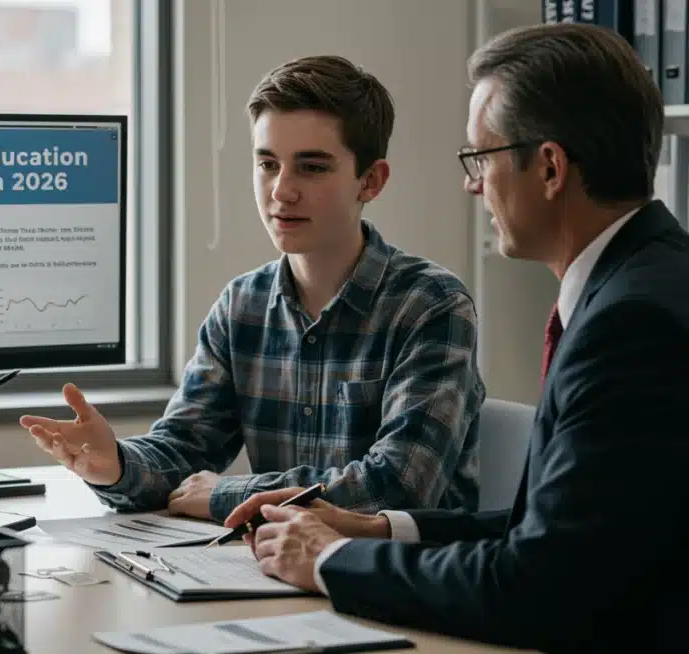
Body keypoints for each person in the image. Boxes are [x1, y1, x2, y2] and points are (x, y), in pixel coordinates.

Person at [226, 23, 689, 652]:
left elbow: (539, 583)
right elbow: (555, 529)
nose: (472, 184)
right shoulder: (644, 281)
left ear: (550, 167)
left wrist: (331, 561)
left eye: (481, 158)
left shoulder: (631, 322)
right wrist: (376, 529)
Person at [20, 55, 486, 523]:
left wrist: (229, 495)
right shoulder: (242, 306)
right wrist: (115, 466)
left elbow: (397, 488)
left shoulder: (432, 305)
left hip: (401, 584)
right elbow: (184, 450)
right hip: (280, 573)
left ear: (371, 181)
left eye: (312, 168)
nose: (282, 191)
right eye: (267, 163)